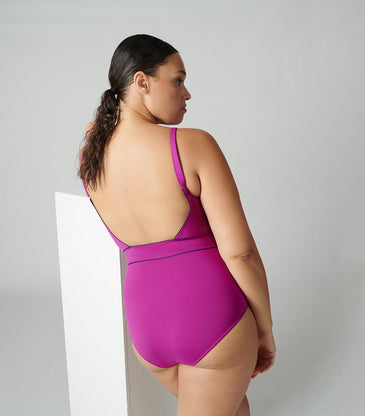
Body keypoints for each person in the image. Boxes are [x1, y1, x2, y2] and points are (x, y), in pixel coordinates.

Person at [77, 34, 276, 416]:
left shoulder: (91, 157)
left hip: (146, 326)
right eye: (178, 80)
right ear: (141, 82)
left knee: (232, 406)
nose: (187, 94)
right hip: (213, 320)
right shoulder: (193, 144)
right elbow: (241, 253)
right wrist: (264, 330)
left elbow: (98, 132)